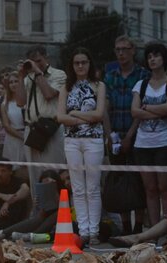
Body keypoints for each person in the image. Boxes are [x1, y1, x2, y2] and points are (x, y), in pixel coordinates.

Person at [58, 47, 106, 246]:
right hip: (72, 140)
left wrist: (75, 114)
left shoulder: (98, 86)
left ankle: (94, 231)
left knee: (93, 187)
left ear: (89, 63)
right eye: (77, 63)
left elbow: (98, 115)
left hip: (93, 139)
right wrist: (83, 117)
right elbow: (60, 116)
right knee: (77, 187)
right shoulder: (66, 88)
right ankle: (83, 231)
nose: (80, 66)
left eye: (83, 62)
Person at [131, 42, 167, 225]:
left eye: (156, 55)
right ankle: (154, 231)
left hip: (166, 142)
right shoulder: (141, 84)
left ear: (164, 58)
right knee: (150, 189)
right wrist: (158, 110)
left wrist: (148, 107)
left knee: (166, 188)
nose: (152, 59)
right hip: (143, 143)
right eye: (149, 56)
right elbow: (135, 111)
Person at [103, 35, 149, 235]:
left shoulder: (142, 75)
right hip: (115, 133)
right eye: (117, 49)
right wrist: (109, 135)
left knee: (137, 181)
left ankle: (139, 225)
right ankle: (125, 227)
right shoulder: (110, 76)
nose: (121, 53)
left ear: (133, 50)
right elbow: (104, 108)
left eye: (124, 49)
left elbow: (142, 109)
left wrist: (130, 136)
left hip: (137, 135)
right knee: (119, 180)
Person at [15, 45, 67, 166]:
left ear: (46, 58)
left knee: (53, 171)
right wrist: (21, 76)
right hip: (32, 129)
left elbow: (48, 94)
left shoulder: (59, 74)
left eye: (39, 61)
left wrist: (38, 72)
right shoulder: (28, 78)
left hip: (50, 128)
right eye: (33, 62)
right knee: (34, 173)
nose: (36, 65)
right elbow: (20, 102)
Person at [0, 169, 70, 239]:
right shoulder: (41, 195)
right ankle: (3, 233)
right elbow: (35, 218)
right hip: (45, 218)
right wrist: (38, 207)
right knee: (39, 218)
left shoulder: (65, 193)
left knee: (58, 214)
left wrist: (55, 194)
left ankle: (31, 235)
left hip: (61, 221)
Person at [1, 71, 27, 165]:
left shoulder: (28, 101)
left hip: (29, 136)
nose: (13, 84)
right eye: (11, 82)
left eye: (16, 81)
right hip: (13, 139)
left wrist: (26, 137)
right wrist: (22, 137)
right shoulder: (5, 104)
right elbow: (6, 126)